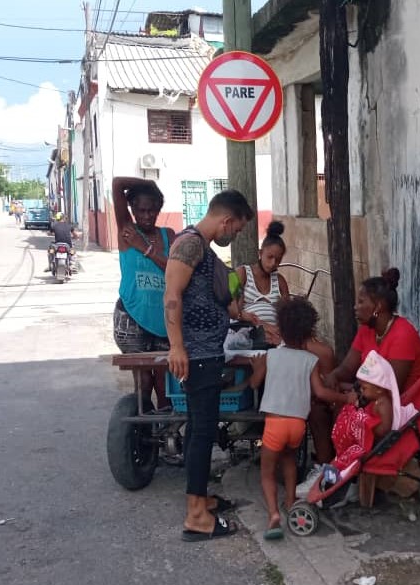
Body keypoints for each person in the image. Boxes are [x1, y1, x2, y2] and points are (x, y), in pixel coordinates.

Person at [165, 189, 254, 542]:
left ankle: (201, 498)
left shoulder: (203, 248)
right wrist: (176, 347)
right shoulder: (189, 244)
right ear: (226, 220)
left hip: (206, 353)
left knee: (199, 429)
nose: (236, 236)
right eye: (238, 229)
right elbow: (171, 296)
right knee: (202, 433)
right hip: (197, 356)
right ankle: (196, 516)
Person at [298, 267, 420, 497]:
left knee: (343, 408)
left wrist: (346, 390)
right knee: (318, 405)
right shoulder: (367, 331)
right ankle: (326, 469)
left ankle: (343, 479)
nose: (355, 307)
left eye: (361, 302)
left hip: (396, 405)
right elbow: (348, 367)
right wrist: (333, 378)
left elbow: (389, 390)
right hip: (371, 395)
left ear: (378, 306)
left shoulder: (402, 335)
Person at [247, 298, 356, 540]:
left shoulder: (270, 356)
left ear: (280, 329)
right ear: (308, 333)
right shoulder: (311, 360)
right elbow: (321, 393)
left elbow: (254, 383)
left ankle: (274, 515)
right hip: (297, 425)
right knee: (289, 459)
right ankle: (290, 501)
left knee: (267, 471)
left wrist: (257, 368)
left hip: (274, 425)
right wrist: (345, 398)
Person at [111, 177, 176, 411]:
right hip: (131, 319)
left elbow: (176, 270)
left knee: (163, 380)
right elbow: (117, 184)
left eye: (151, 210)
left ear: (159, 209)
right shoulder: (127, 230)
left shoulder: (169, 236)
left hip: (163, 320)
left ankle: (166, 434)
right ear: (133, 210)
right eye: (141, 210)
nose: (146, 216)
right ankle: (142, 434)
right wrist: (148, 182)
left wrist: (146, 248)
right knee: (144, 380)